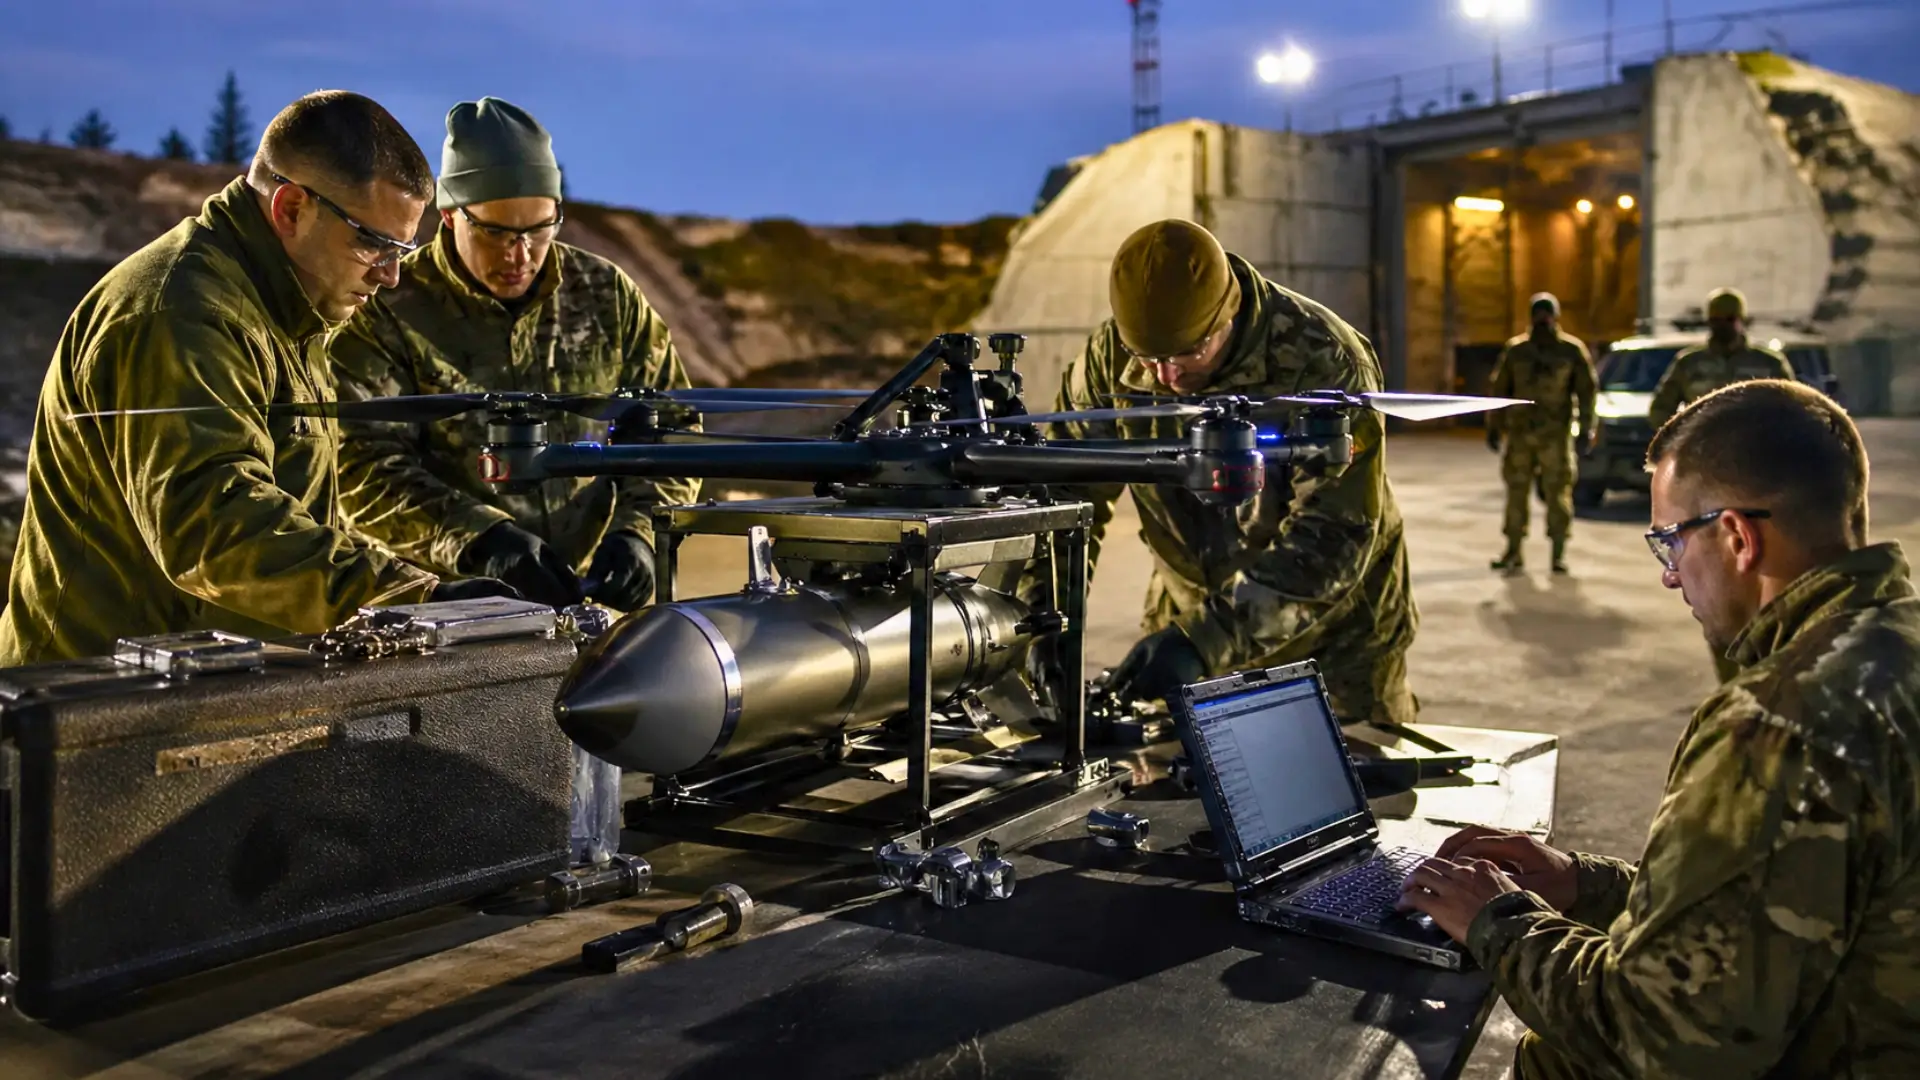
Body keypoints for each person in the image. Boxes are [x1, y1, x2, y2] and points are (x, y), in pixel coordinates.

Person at [1396, 379, 1920, 1078]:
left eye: (1669, 542)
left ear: (1736, 536)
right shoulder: (1895, 650)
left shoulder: (1777, 723)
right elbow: (1785, 898)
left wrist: (1497, 918)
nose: (1671, 578)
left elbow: (1662, 1040)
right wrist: (1586, 885)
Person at [0, 91, 514, 667]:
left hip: (184, 684)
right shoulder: (184, 316)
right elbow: (214, 529)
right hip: (84, 700)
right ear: (292, 208)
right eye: (374, 242)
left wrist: (443, 569)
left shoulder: (287, 308)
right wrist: (409, 599)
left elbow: (294, 508)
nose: (391, 275)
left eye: (403, 248)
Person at [1030, 218, 1417, 726]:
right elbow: (1065, 494)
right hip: (1184, 634)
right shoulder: (1107, 359)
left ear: (1228, 313)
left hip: (1333, 648)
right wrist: (1045, 619)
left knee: (1352, 796)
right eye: (1148, 358)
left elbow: (1335, 535)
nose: (1168, 377)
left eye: (1191, 352)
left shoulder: (1322, 358)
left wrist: (1206, 639)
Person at [330, 98, 697, 612]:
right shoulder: (385, 310)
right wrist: (482, 541)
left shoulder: (606, 296)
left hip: (595, 597)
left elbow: (668, 428)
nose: (519, 255)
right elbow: (360, 466)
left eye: (539, 230)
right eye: (496, 233)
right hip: (446, 603)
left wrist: (639, 533)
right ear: (450, 214)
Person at [1486, 293, 1596, 574]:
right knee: (1516, 493)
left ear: (1555, 317)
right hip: (1521, 435)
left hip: (1555, 436)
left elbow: (1586, 392)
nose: (1543, 319)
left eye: (1547, 314)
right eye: (1538, 314)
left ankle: (1558, 553)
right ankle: (1513, 550)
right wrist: (1494, 426)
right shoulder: (1516, 351)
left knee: (1558, 494)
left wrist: (1586, 428)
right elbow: (1500, 390)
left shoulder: (1571, 351)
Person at [1646, 286, 1793, 431]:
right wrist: (1681, 435)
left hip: (1755, 445)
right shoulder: (1689, 363)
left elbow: (1793, 407)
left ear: (1742, 321)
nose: (1722, 325)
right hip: (1704, 446)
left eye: (1729, 319)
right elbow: (1660, 409)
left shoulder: (1769, 363)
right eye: (1716, 320)